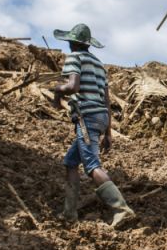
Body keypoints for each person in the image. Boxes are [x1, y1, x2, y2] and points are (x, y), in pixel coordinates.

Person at [51, 23, 136, 230]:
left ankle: (122, 209)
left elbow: (73, 86)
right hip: (100, 118)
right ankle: (69, 213)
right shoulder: (98, 64)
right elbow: (107, 100)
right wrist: (108, 132)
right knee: (71, 162)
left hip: (86, 118)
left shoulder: (74, 58)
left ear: (71, 43)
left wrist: (57, 90)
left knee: (91, 166)